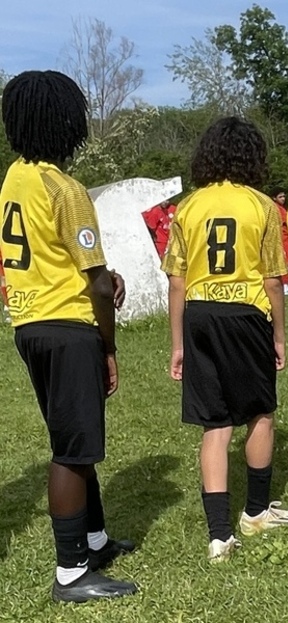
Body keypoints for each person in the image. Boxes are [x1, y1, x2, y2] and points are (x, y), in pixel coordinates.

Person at [0, 70, 136, 602]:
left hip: (30, 324)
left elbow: (57, 256)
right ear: (66, 123)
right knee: (72, 449)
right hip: (67, 328)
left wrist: (104, 274)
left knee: (76, 435)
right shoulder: (65, 188)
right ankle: (72, 573)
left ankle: (94, 541)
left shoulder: (14, 178)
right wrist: (109, 347)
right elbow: (97, 286)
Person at [163, 117, 288, 562]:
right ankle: (256, 512)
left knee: (216, 425)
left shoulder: (188, 206)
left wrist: (178, 344)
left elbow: (176, 281)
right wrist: (279, 335)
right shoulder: (261, 206)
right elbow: (273, 279)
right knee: (260, 413)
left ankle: (218, 535)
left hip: (199, 315)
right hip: (245, 315)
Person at [270, 187, 288, 295]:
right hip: (282, 241)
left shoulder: (282, 209)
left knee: (287, 263)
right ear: (274, 198)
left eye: (284, 196)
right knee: (283, 264)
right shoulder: (276, 209)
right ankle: (284, 287)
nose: (283, 198)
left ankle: (286, 286)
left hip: (287, 240)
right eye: (280, 196)